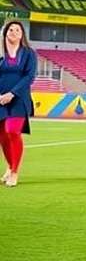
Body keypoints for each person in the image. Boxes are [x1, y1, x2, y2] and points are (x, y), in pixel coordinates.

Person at [0, 21, 36, 187]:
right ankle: (9, 166)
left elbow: (29, 77)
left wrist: (12, 93)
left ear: (22, 35)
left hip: (19, 99)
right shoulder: (0, 53)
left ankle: (14, 172)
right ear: (5, 32)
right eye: (11, 29)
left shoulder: (29, 54)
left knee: (13, 131)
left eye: (18, 30)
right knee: (2, 137)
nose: (14, 32)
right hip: (0, 100)